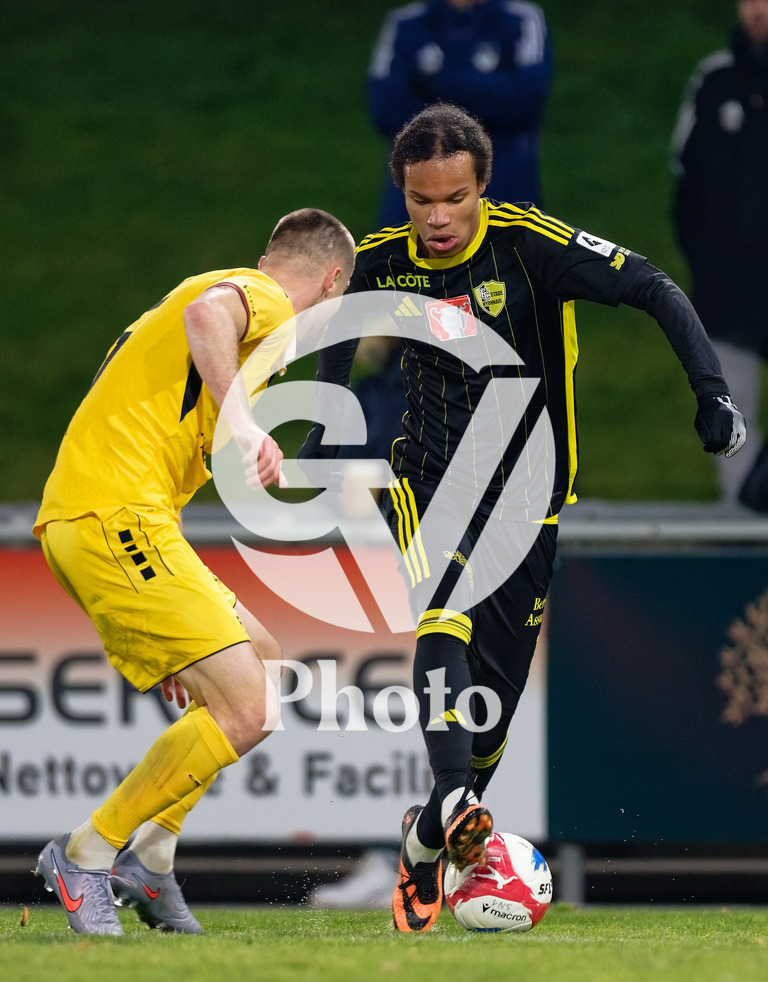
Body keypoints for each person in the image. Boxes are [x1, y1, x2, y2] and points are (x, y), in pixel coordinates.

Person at [300, 103, 747, 932]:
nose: (437, 218)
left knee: (493, 712)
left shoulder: (530, 246)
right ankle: (452, 809)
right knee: (442, 611)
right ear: (402, 191)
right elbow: (341, 315)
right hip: (431, 483)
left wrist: (711, 391)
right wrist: (330, 428)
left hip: (530, 497)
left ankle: (432, 830)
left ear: (483, 186)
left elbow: (651, 285)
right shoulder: (382, 260)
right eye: (420, 200)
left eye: (455, 199)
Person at [32, 208, 355, 935]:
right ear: (330, 281)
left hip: (122, 522)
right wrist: (243, 420)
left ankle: (153, 856)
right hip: (114, 520)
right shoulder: (258, 299)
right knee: (249, 710)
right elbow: (211, 317)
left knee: (263, 666)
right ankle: (87, 853)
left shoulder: (193, 298)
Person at [671, 0, 768, 509]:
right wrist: (707, 270)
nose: (757, 10)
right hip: (728, 297)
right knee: (732, 427)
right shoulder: (714, 82)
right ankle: (740, 561)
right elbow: (686, 189)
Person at [368, 0, 553, 226]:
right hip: (413, 212)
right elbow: (387, 111)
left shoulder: (521, 19)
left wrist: (434, 80)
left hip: (505, 203)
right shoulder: (406, 23)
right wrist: (485, 94)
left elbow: (523, 103)